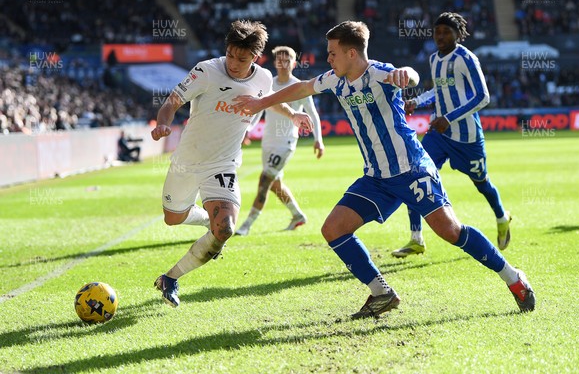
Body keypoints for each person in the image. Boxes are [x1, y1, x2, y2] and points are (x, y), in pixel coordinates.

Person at [233, 20, 535, 318]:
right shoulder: (334, 80)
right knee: (333, 229)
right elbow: (301, 88)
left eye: (332, 53)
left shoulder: (378, 72)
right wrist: (261, 103)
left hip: (412, 169)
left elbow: (409, 76)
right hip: (377, 178)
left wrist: (407, 74)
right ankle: (382, 293)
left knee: (450, 231)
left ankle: (513, 278)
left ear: (352, 54)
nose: (327, 59)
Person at [150, 20, 313, 308]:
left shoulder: (263, 78)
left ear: (255, 57)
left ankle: (171, 278)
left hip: (223, 164)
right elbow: (172, 102)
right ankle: (204, 220)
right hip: (188, 161)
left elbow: (270, 101)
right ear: (226, 48)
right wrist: (163, 124)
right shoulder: (206, 71)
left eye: (242, 58)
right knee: (172, 218)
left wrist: (293, 116)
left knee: (225, 229)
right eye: (231, 54)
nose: (235, 63)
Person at [392, 12, 512, 258]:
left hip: (466, 137)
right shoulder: (434, 59)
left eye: (447, 32)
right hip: (439, 134)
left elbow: (483, 97)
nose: (441, 36)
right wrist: (416, 100)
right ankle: (416, 238)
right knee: (415, 175)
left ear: (458, 34)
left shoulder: (466, 58)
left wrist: (449, 117)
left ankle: (502, 217)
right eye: (438, 32)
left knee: (482, 183)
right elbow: (439, 90)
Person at [235, 46, 325, 236]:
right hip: (268, 141)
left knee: (264, 179)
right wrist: (248, 129)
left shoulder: (300, 86)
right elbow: (258, 109)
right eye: (279, 60)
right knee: (275, 184)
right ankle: (298, 215)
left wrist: (319, 140)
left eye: (287, 61)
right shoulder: (269, 85)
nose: (282, 64)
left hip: (286, 142)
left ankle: (247, 224)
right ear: (275, 63)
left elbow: (313, 114)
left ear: (293, 63)